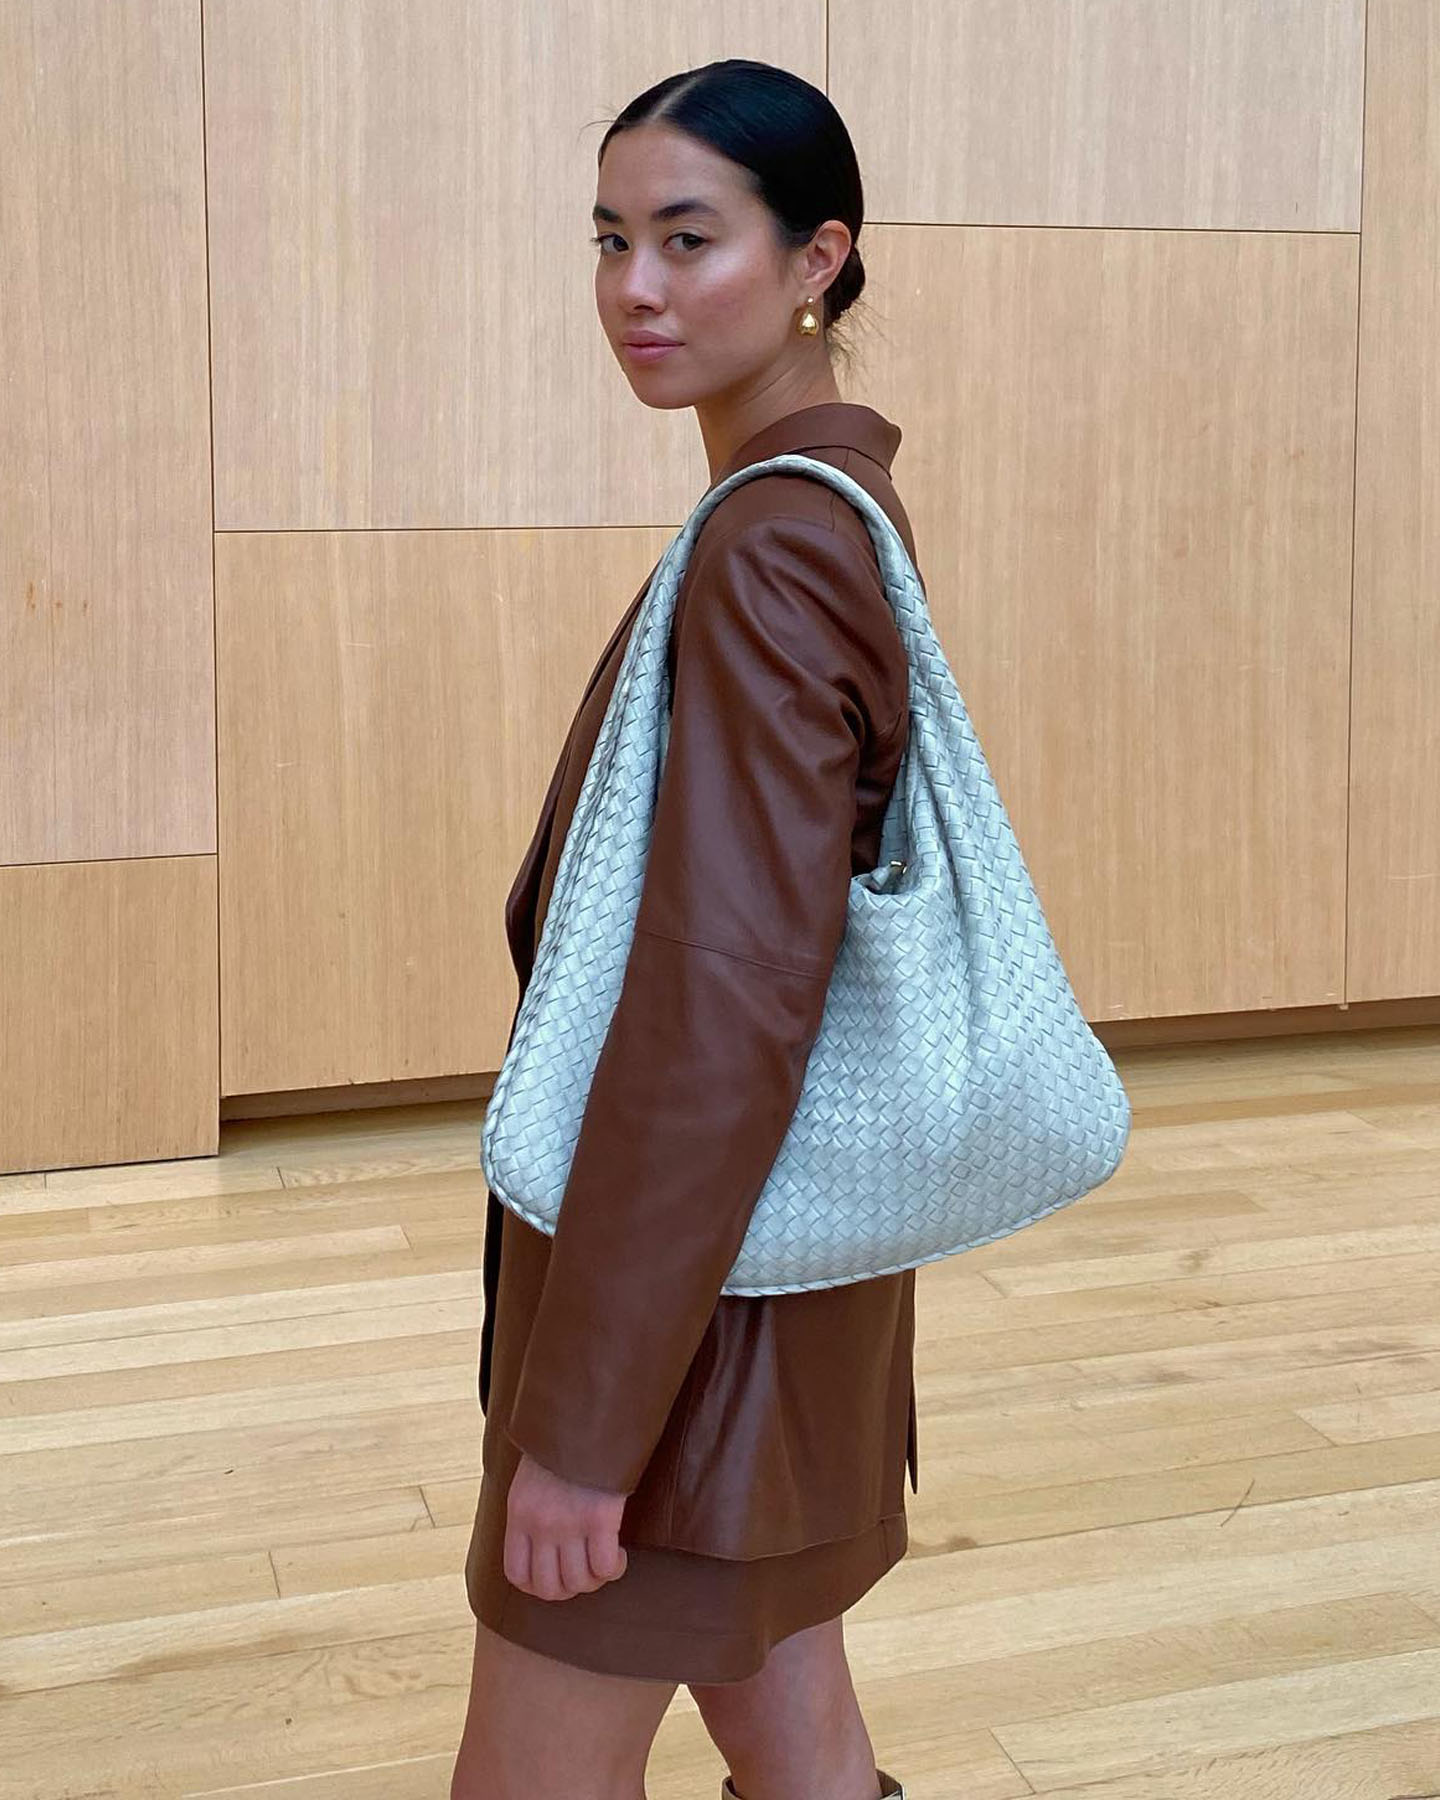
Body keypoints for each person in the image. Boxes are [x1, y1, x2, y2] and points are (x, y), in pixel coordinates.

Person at [452, 57, 918, 1800]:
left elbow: (724, 1003)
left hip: (687, 1315)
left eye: (690, 238)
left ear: (818, 259)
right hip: (771, 1282)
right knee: (794, 1728)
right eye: (610, 238)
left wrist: (580, 1442)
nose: (634, 290)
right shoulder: (819, 505)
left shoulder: (773, 549)